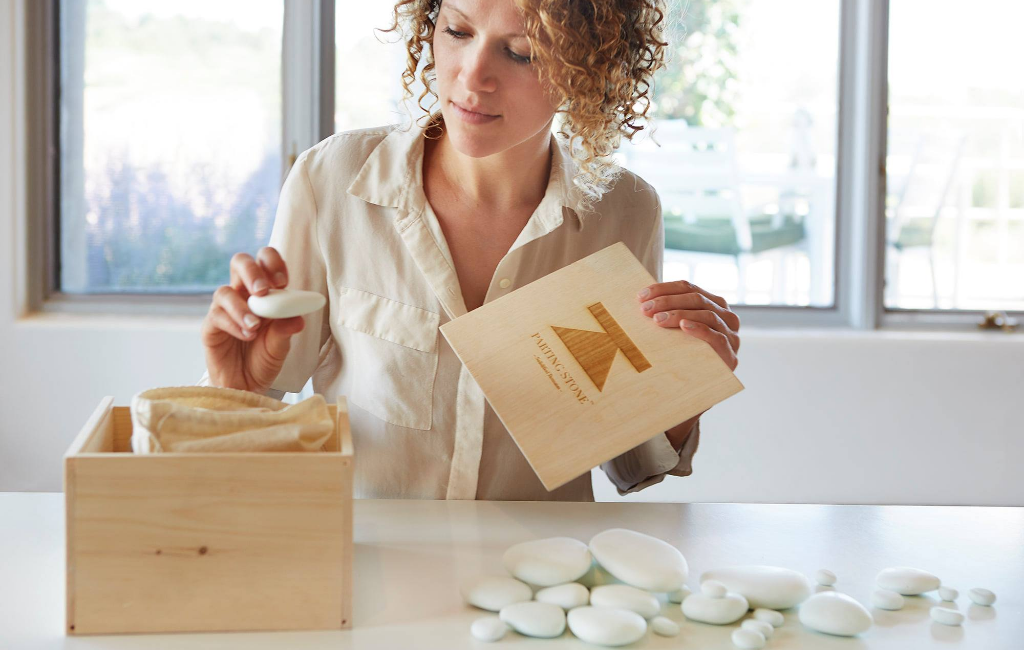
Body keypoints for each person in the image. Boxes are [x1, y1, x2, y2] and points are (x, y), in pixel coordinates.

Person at [199, 0, 741, 501]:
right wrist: (235, 388)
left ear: (589, 70)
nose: (472, 75)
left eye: (521, 53)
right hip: (373, 575)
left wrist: (682, 399)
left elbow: (628, 465)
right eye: (457, 30)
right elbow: (251, 421)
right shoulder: (331, 180)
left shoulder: (625, 210)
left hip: (539, 588)